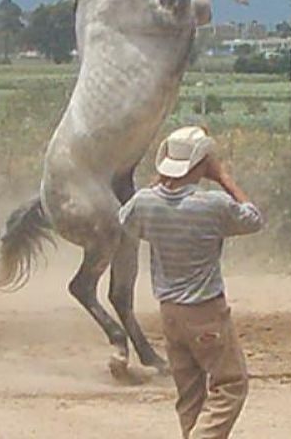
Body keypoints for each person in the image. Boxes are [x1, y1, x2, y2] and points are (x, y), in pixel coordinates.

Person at [118, 126, 263, 438]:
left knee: (190, 394)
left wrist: (162, 181)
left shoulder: (146, 202)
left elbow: (125, 218)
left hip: (169, 311)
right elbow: (253, 218)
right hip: (205, 310)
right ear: (201, 164)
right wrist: (223, 177)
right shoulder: (212, 205)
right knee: (231, 384)